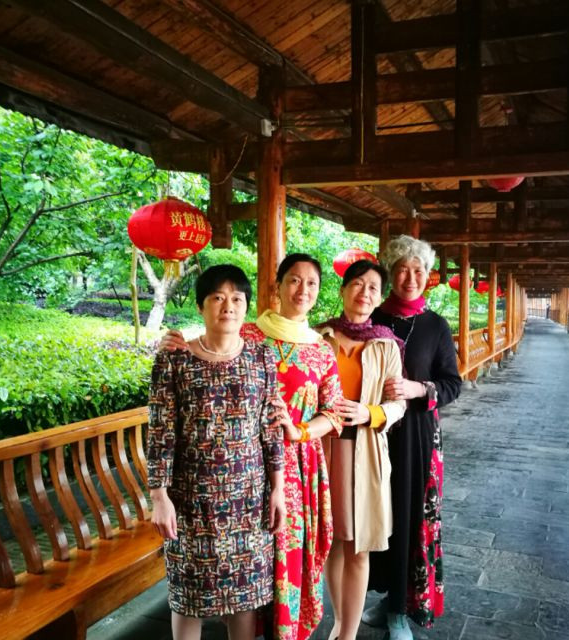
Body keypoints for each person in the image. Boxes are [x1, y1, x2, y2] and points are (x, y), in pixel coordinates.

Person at [159, 254, 342, 640]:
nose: (303, 290)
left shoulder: (309, 351)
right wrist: (159, 495)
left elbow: (323, 414)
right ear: (277, 286)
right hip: (201, 487)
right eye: (294, 280)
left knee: (257, 581)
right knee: (196, 588)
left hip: (274, 480)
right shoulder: (240, 338)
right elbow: (163, 428)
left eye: (311, 282)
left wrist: (294, 444)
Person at [147, 264, 286, 640]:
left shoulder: (261, 358)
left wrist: (278, 489)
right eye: (217, 298)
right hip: (191, 500)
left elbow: (271, 429)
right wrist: (159, 497)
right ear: (200, 305)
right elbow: (160, 433)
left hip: (249, 499)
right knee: (188, 596)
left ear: (246, 307)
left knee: (244, 597)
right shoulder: (174, 360)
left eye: (237, 299)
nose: (228, 306)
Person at [364, 236, 462, 639]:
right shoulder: (370, 317)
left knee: (408, 518)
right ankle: (386, 596)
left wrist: (418, 388)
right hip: (371, 434)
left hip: (417, 438)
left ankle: (400, 611)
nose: (410, 277)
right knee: (375, 516)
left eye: (418, 270)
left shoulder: (435, 325)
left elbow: (452, 384)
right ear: (390, 273)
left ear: (428, 276)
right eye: (402, 269)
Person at [315, 260, 406, 640]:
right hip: (321, 449)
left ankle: (348, 634)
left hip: (365, 452)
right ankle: (339, 622)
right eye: (357, 284)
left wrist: (370, 413)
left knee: (358, 546)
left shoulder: (386, 345)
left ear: (380, 298)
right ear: (342, 290)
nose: (364, 293)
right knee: (332, 542)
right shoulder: (317, 337)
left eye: (372, 288)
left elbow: (398, 404)